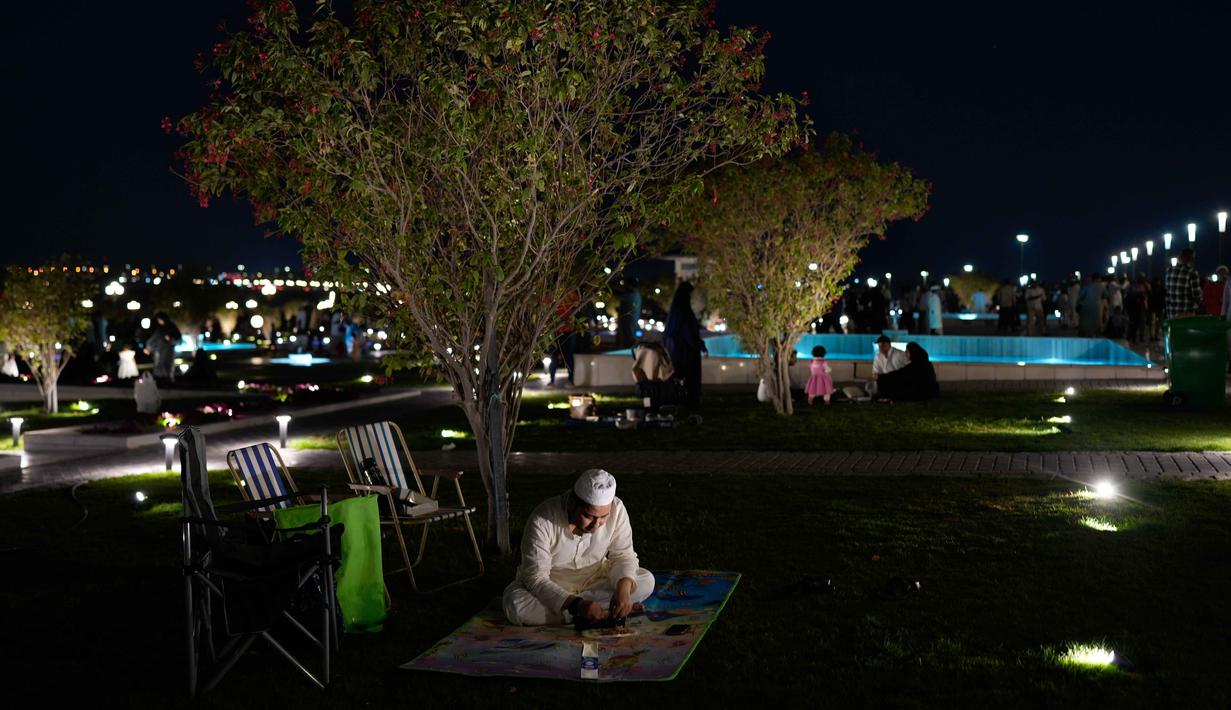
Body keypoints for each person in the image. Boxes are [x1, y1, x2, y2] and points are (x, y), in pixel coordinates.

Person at [503, 469, 655, 626]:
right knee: (516, 606)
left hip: (595, 579)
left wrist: (622, 591)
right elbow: (536, 578)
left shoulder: (617, 509)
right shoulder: (543, 520)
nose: (596, 525)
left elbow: (623, 555)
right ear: (571, 504)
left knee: (646, 581)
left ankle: (589, 612)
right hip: (553, 586)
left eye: (603, 517)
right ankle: (598, 612)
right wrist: (576, 604)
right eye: (589, 516)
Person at [663, 281, 707, 410]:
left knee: (678, 378)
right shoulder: (684, 311)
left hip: (676, 351)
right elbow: (689, 334)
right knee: (690, 379)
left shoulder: (675, 311)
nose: (691, 298)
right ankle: (689, 403)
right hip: (686, 351)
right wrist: (701, 346)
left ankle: (678, 401)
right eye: (690, 295)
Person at [875, 342, 939, 401]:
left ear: (913, 352)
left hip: (922, 393)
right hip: (929, 392)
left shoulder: (915, 366)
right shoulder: (925, 363)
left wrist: (880, 377)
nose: (905, 353)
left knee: (893, 389)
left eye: (907, 351)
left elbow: (899, 375)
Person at [1164, 248, 1202, 320]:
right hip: (1186, 313)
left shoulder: (1169, 271)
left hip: (1171, 313)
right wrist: (1197, 306)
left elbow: (1167, 291)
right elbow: (1197, 295)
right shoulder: (1192, 272)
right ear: (1192, 258)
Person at [144, 313, 180, 383]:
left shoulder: (171, 327)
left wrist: (170, 339)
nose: (159, 321)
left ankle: (168, 379)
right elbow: (153, 339)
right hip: (159, 350)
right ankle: (160, 379)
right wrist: (148, 348)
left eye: (159, 320)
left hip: (168, 351)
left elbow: (177, 338)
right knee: (159, 365)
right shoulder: (160, 329)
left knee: (167, 365)